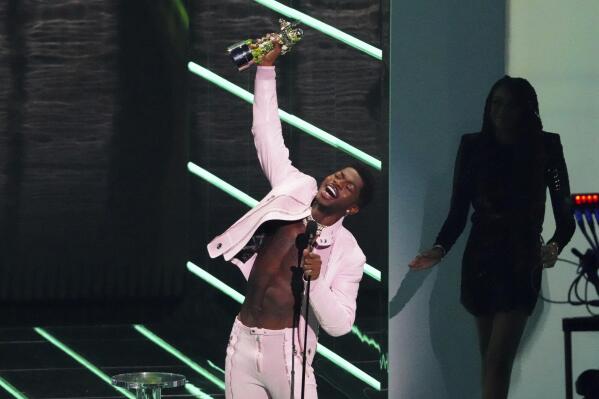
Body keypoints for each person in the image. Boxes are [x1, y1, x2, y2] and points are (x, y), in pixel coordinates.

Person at [207, 42, 375, 399]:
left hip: (287, 353)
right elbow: (266, 133)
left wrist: (317, 282)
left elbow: (341, 325)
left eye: (348, 187)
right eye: (337, 175)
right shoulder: (294, 187)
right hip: (242, 339)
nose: (336, 183)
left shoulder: (348, 252)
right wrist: (265, 71)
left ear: (352, 208)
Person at [409, 76, 575, 399]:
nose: (501, 111)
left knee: (498, 362)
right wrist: (439, 249)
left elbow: (565, 215)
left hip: (521, 259)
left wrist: (554, 246)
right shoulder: (473, 147)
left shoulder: (546, 147)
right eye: (496, 103)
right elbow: (458, 212)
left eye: (510, 104)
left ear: (526, 109)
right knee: (490, 362)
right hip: (481, 258)